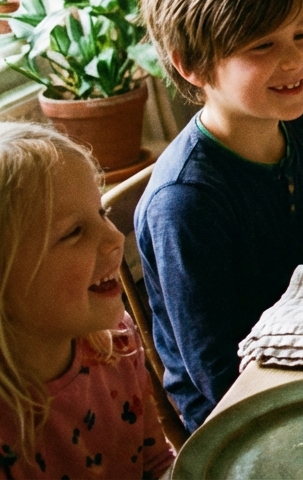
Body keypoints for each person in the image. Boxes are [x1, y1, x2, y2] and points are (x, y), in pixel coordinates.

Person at [136, 0, 303, 431]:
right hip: (241, 410)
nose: (294, 60)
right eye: (262, 45)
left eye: (300, 34)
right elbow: (217, 373)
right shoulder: (185, 202)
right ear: (192, 64)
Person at [0, 123, 174, 478]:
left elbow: (155, 464)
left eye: (102, 213)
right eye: (73, 232)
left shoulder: (117, 345)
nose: (113, 238)